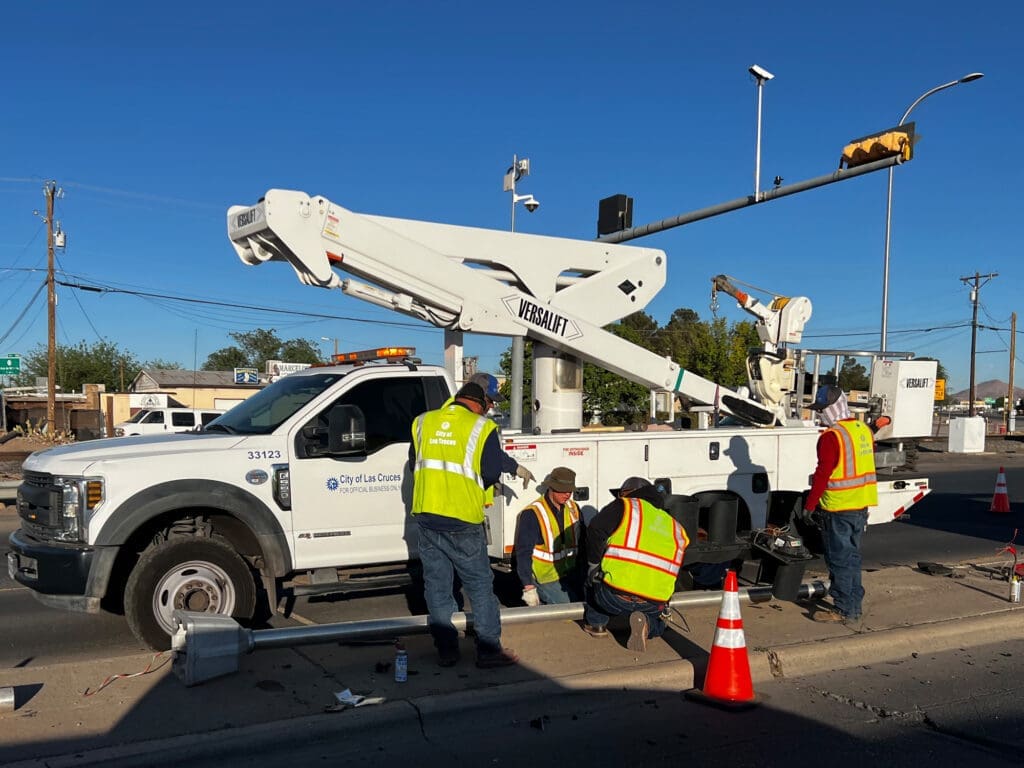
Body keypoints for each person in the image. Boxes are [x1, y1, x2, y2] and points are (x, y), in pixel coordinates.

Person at [409, 380, 532, 669]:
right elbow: (488, 470)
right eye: (489, 405)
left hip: (426, 515)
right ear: (478, 403)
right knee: (479, 585)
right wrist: (483, 484)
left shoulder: (423, 422)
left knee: (437, 586)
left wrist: (513, 465)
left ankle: (447, 651)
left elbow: (419, 461)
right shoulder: (482, 427)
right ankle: (488, 651)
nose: (489, 411)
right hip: (462, 518)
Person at [581, 476, 689, 652]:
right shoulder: (676, 527)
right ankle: (648, 625)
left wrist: (593, 565)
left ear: (626, 493)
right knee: (661, 622)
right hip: (653, 603)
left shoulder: (625, 506)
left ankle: (597, 624)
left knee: (591, 580)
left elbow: (595, 529)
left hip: (613, 598)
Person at [801, 384, 878, 624]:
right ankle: (854, 603)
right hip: (860, 505)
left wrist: (810, 505)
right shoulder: (862, 429)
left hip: (838, 507)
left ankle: (844, 609)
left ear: (834, 407)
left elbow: (823, 472)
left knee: (840, 560)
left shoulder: (832, 437)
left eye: (823, 409)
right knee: (852, 557)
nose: (821, 414)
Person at [514, 466, 583, 606]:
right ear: (551, 488)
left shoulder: (573, 508)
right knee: (570, 609)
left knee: (587, 605)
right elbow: (523, 552)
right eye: (562, 490)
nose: (567, 495)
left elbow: (584, 540)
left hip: (570, 572)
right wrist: (528, 587)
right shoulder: (533, 513)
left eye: (569, 491)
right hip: (545, 578)